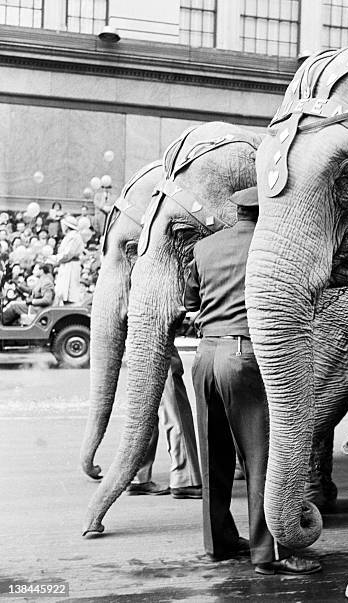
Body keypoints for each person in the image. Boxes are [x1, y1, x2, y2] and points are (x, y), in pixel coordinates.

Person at [183, 186, 321, 576]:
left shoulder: (204, 248)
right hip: (245, 355)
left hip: (205, 354)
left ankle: (220, 543)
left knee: (214, 455)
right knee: (262, 455)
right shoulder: (270, 245)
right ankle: (269, 554)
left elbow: (191, 303)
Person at [125, 347, 203, 499]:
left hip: (138, 344)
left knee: (145, 408)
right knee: (174, 404)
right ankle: (185, 478)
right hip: (156, 340)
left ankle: (137, 475)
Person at [53, 215, 85, 304]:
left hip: (71, 266)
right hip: (66, 265)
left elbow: (68, 254)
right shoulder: (69, 236)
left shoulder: (74, 236)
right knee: (62, 294)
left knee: (70, 294)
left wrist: (55, 259)